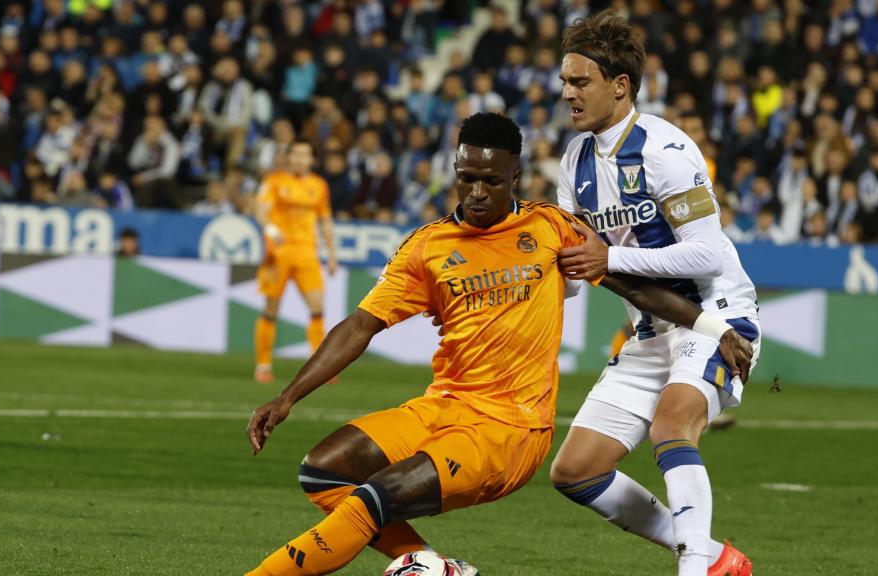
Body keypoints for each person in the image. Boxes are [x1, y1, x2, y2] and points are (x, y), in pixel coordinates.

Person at [243, 113, 753, 576]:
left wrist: (713, 329)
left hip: (510, 428)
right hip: (443, 406)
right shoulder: (427, 246)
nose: (478, 192)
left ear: (516, 177)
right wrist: (286, 397)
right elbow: (359, 326)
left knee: (377, 496)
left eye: (492, 181)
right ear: (455, 171)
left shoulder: (551, 227)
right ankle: (435, 569)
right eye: (467, 179)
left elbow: (632, 286)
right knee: (323, 472)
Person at [550, 11, 761, 576]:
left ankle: (694, 568)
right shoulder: (574, 161)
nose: (567, 93)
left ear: (621, 86)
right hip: (650, 330)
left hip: (714, 314)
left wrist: (609, 256)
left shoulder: (667, 151)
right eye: (565, 82)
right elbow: (574, 274)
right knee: (575, 471)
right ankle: (712, 556)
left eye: (580, 82)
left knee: (672, 425)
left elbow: (707, 254)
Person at [253, 141, 338, 384]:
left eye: (306, 155)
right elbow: (260, 210)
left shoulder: (319, 185)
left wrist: (332, 254)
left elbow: (325, 220)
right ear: (288, 157)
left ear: (312, 159)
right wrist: (269, 227)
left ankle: (319, 366)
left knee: (317, 306)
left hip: (306, 253)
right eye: (297, 155)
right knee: (271, 309)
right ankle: (263, 365)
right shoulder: (275, 181)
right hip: (278, 253)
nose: (301, 159)